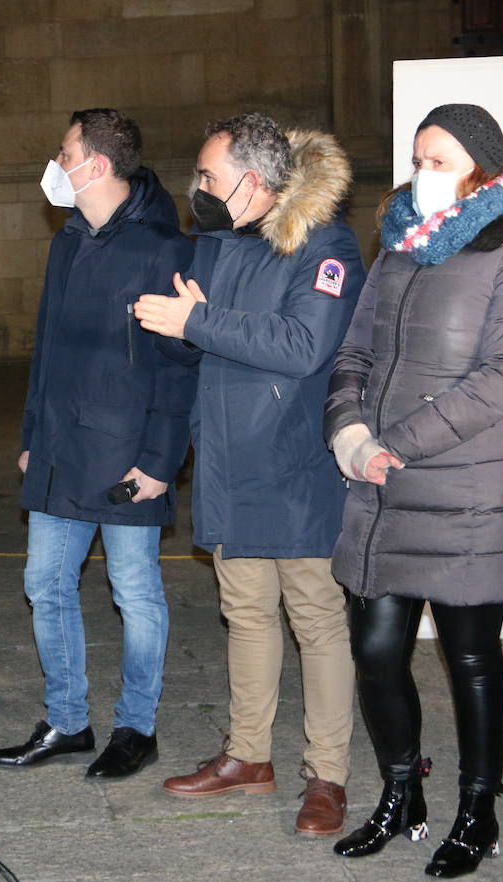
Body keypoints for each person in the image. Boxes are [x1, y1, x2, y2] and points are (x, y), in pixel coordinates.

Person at [321, 104, 503, 875]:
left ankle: (478, 808)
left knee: (471, 657)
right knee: (376, 649)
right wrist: (349, 435)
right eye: (419, 157)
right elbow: (354, 352)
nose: (425, 171)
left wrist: (396, 443)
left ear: (484, 167)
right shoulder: (397, 250)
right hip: (384, 489)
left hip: (469, 490)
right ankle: (402, 792)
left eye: (443, 158)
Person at [133, 112, 364, 833]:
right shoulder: (216, 243)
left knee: (317, 619)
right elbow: (194, 345)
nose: (196, 188)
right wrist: (178, 330)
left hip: (294, 463)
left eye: (208, 176)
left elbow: (301, 344)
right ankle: (248, 755)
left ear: (255, 183)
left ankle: (326, 773)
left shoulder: (325, 246)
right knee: (246, 613)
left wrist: (198, 324)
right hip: (228, 459)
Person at [0, 109, 196, 779]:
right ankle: (67, 721)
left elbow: (181, 364)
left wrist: (160, 462)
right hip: (61, 448)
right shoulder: (68, 241)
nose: (56, 161)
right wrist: (31, 438)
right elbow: (45, 349)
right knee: (44, 584)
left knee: (134, 590)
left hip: (128, 456)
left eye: (64, 151)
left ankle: (137, 727)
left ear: (97, 165)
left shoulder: (167, 247)